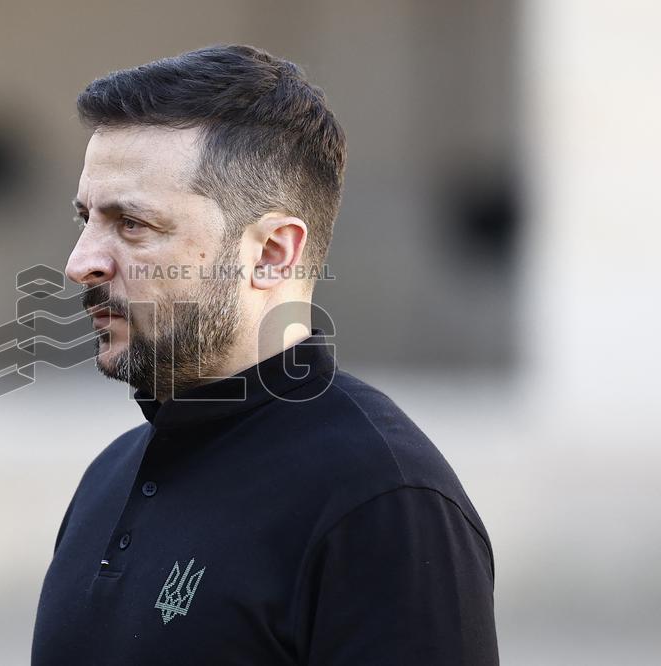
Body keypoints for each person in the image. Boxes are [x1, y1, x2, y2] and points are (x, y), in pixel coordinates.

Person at [32, 44, 498, 665]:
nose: (80, 263)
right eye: (86, 219)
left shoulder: (383, 502)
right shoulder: (110, 476)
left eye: (132, 224)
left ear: (274, 253)